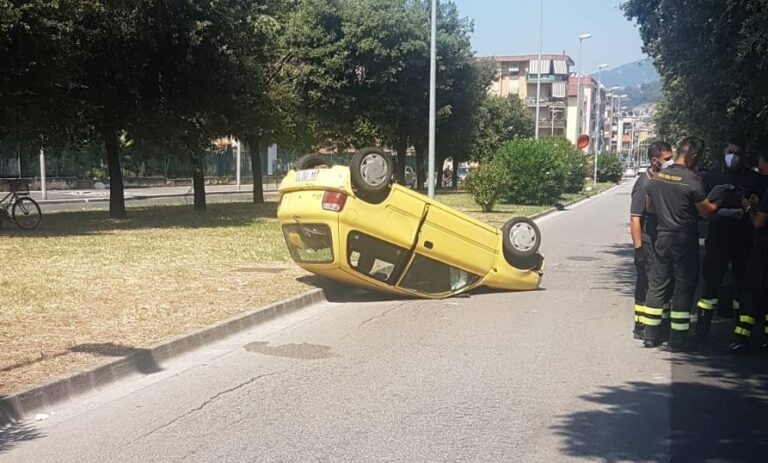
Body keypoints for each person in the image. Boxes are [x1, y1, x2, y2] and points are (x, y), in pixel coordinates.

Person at [643, 137, 721, 350]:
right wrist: (721, 197)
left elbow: (649, 208)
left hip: (662, 237)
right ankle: (677, 339)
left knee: (657, 285)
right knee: (683, 288)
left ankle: (650, 334)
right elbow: (706, 213)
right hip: (684, 240)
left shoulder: (657, 178)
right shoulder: (692, 181)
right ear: (694, 155)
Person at [694, 138, 761, 342]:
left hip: (743, 239)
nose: (733, 157)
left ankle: (741, 332)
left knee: (742, 285)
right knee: (711, 284)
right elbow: (702, 207)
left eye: (737, 153)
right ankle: (702, 328)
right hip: (718, 237)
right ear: (724, 151)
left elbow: (760, 207)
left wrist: (747, 207)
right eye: (730, 151)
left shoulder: (753, 179)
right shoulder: (712, 176)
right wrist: (722, 212)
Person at [630, 141, 674, 339]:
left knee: (662, 282)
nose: (670, 162)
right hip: (647, 242)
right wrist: (639, 249)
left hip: (659, 241)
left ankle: (660, 324)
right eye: (667, 159)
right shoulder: (643, 183)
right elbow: (635, 218)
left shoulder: (661, 180)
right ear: (654, 160)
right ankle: (641, 325)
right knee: (647, 283)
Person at [729, 151, 768, 352]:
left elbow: (759, 222)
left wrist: (747, 207)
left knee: (751, 291)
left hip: (762, 250)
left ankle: (742, 337)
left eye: (761, 165)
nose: (760, 169)